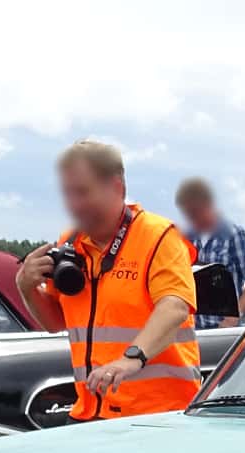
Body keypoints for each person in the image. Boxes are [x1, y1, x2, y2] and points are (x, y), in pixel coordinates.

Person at [15, 141, 201, 421]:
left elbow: (174, 306)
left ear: (117, 189)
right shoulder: (71, 242)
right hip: (90, 412)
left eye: (83, 192)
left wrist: (131, 359)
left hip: (156, 416)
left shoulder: (159, 237)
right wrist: (26, 286)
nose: (74, 205)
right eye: (68, 194)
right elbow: (55, 323)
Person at [174, 176, 245, 329]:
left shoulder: (234, 235)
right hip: (191, 330)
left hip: (221, 331)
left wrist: (232, 319)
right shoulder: (187, 236)